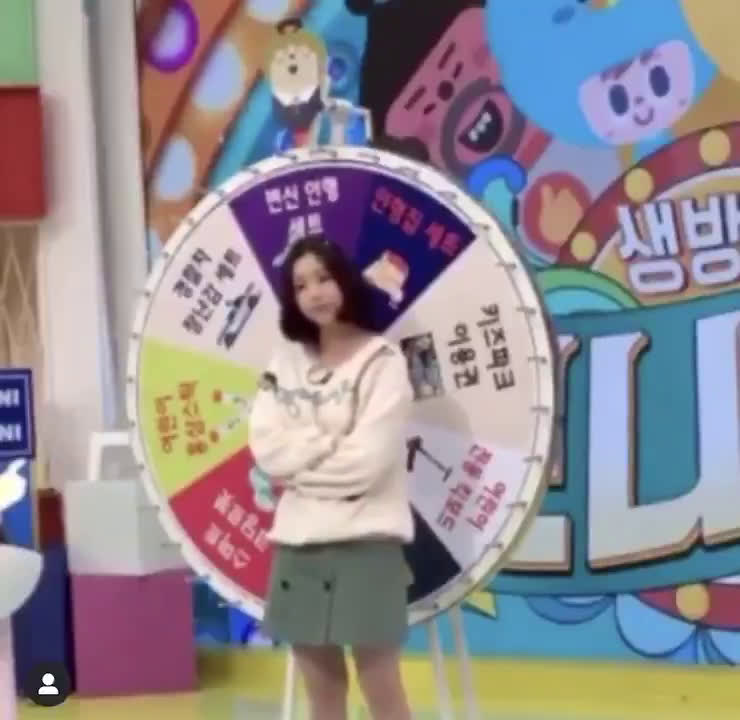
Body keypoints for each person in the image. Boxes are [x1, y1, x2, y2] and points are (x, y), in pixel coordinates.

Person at [249, 234, 414, 720]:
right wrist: (325, 445)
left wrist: (300, 468)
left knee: (382, 688)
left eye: (323, 279)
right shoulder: (285, 362)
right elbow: (268, 450)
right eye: (301, 285)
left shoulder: (383, 361)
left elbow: (366, 463)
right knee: (321, 692)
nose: (314, 293)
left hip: (367, 542)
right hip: (297, 545)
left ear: (344, 280)